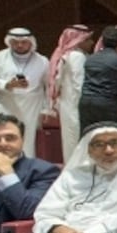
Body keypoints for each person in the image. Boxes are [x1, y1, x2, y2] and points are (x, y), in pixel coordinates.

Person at [0, 29, 50, 158]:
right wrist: (6, 84)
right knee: (0, 136)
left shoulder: (42, 61)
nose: (19, 45)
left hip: (30, 106)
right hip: (3, 103)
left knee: (26, 141)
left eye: (24, 42)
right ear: (9, 42)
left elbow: (48, 86)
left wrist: (46, 109)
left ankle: (25, 169)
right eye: (15, 42)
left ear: (31, 43)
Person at [47, 25, 93, 162]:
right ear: (79, 40)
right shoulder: (77, 56)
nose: (91, 43)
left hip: (67, 104)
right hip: (75, 105)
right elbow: (79, 84)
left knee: (70, 141)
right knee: (75, 141)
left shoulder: (66, 55)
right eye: (88, 40)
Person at [79, 26, 117, 133]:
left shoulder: (90, 58)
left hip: (85, 102)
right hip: (107, 103)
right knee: (115, 134)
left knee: (88, 136)